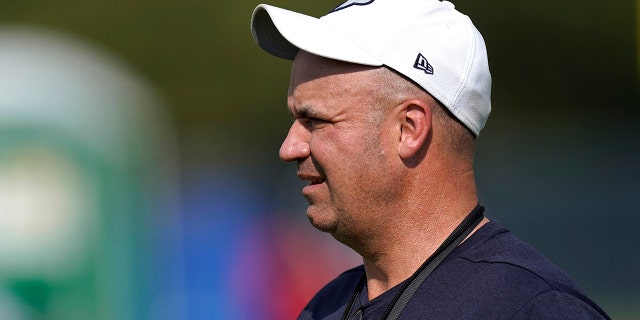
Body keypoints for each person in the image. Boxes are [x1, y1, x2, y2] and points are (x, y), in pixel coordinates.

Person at [250, 0, 611, 319]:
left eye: (316, 120)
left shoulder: (533, 309)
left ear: (409, 128)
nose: (289, 147)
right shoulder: (324, 307)